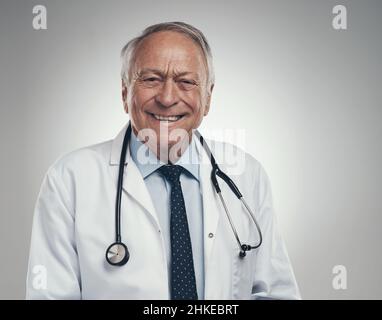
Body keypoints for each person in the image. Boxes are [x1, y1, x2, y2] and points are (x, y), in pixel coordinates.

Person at [26, 21, 300, 300]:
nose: (168, 98)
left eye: (186, 82)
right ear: (124, 94)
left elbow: (276, 293)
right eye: (151, 79)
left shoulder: (246, 174)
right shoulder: (69, 179)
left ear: (208, 98)